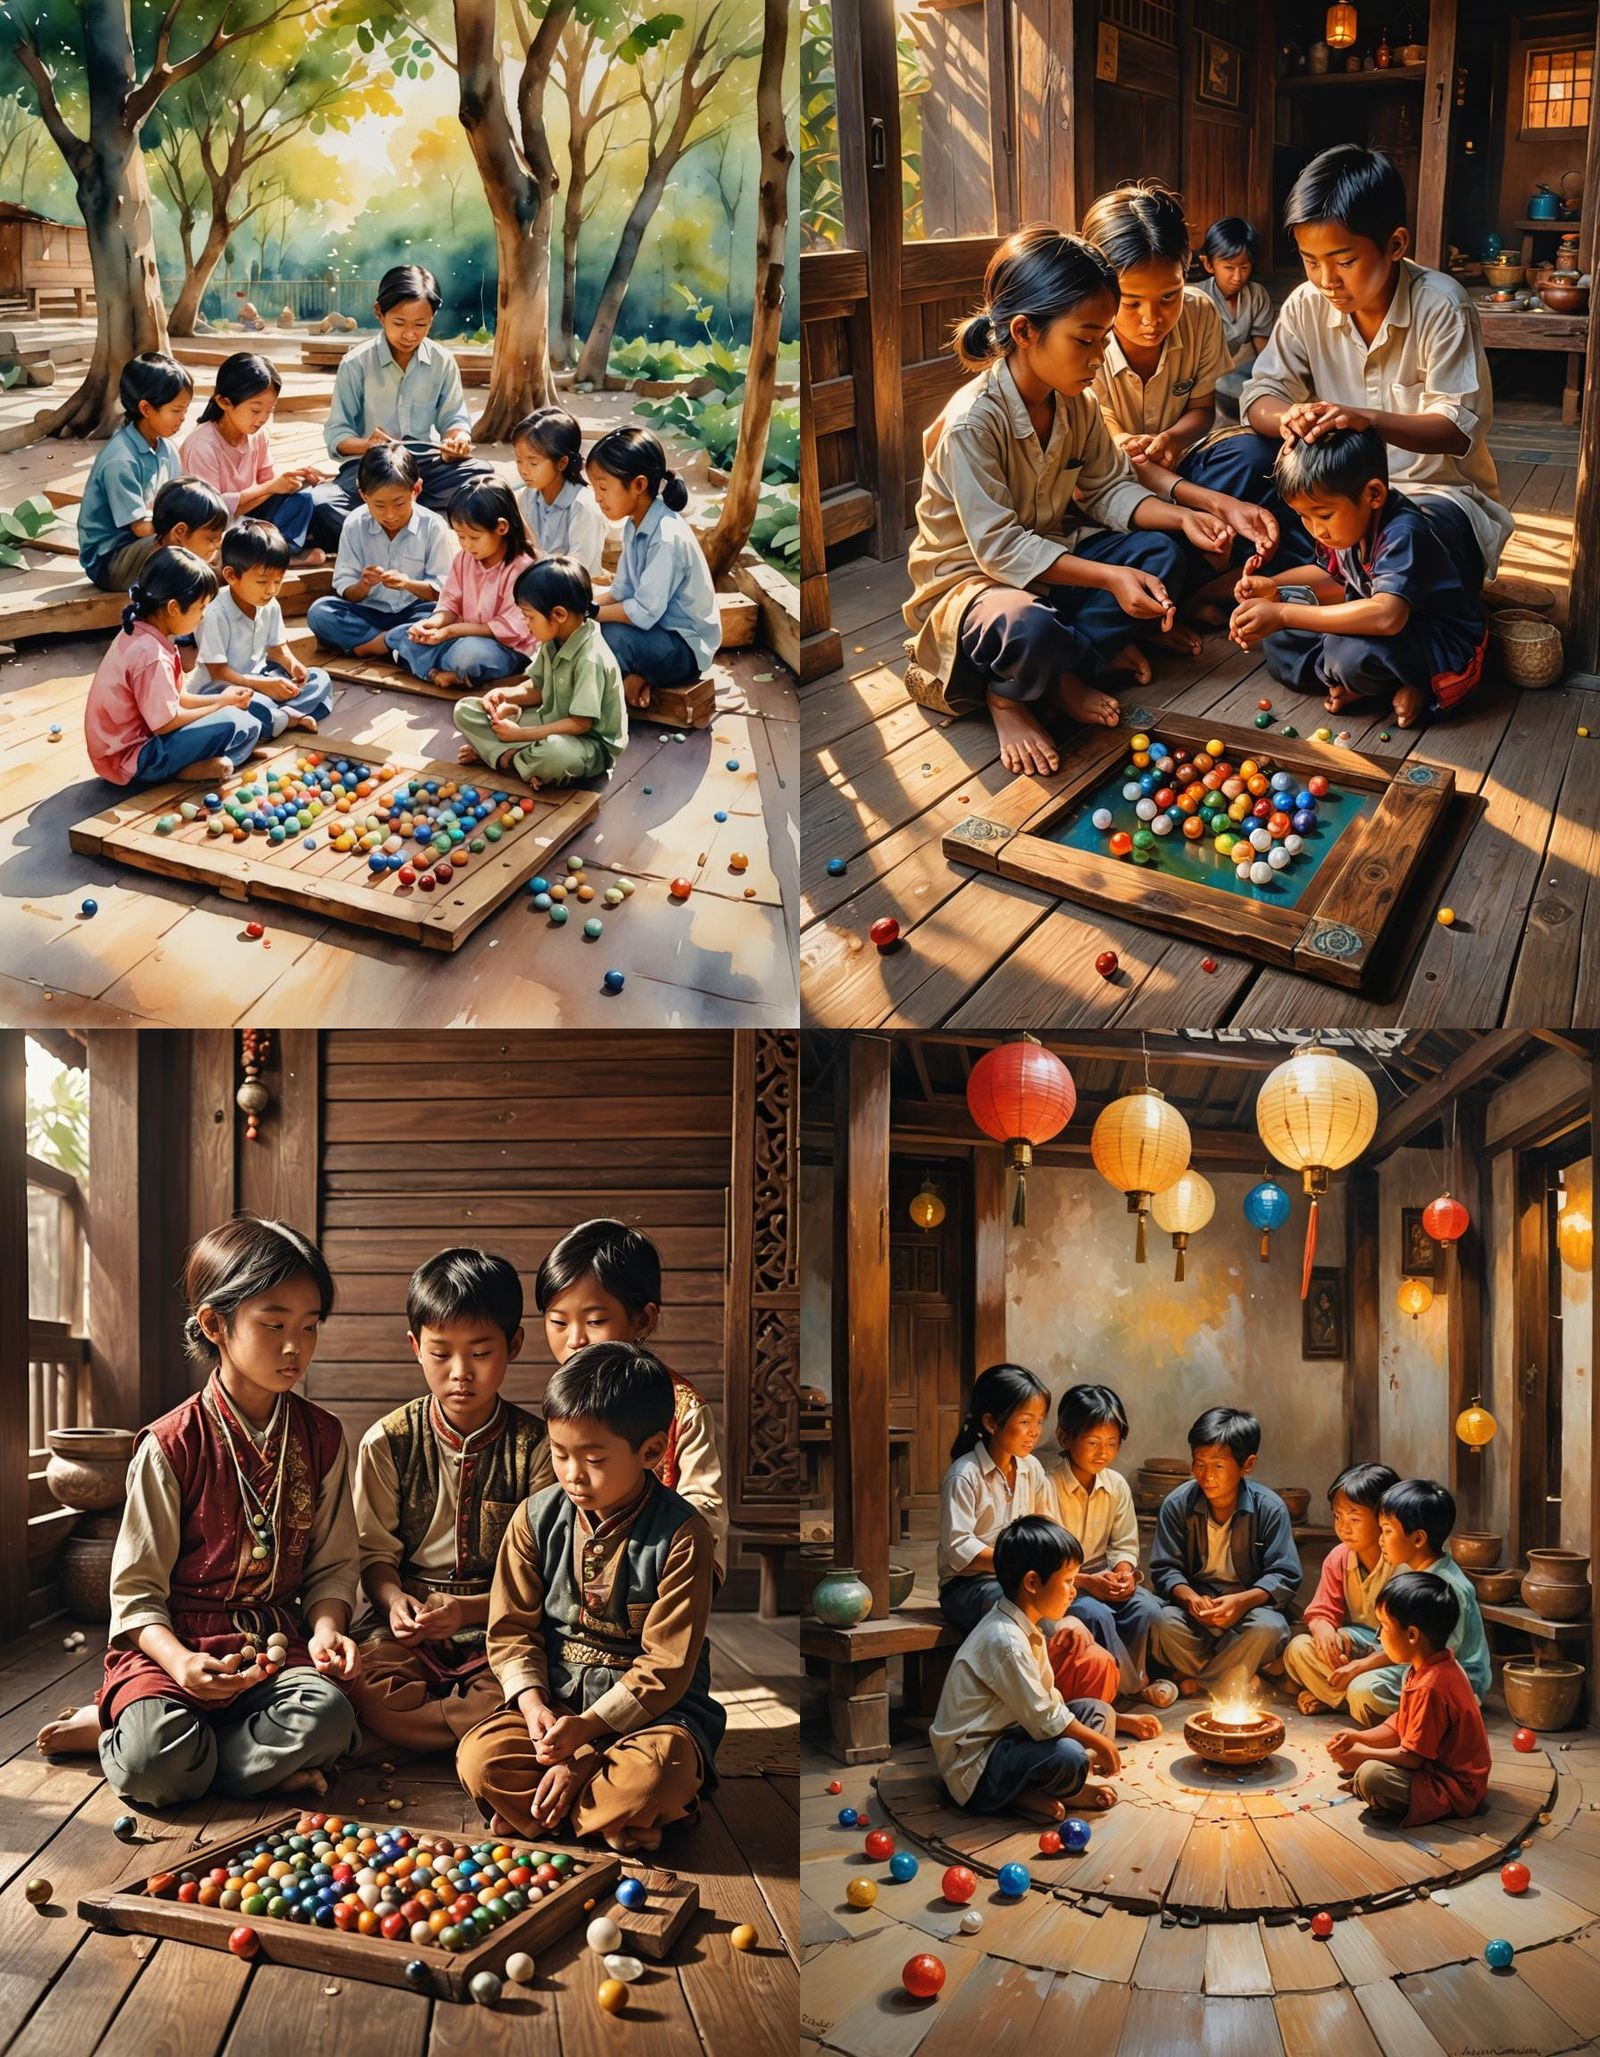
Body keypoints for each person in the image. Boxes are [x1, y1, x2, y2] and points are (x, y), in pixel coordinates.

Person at [902, 226, 1232, 778]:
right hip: (976, 586)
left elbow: (1109, 488)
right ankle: (1011, 697)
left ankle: (1066, 670)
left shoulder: (1074, 403)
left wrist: (1186, 517)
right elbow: (1001, 551)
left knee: (1161, 556)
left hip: (1051, 560)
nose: (1099, 356)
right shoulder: (971, 423)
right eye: (1086, 339)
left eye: (1103, 338)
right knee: (1027, 627)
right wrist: (1108, 579)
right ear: (1025, 331)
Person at [75, 1219, 361, 1804]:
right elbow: (135, 1594)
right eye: (274, 1324)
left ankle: (186, 1757)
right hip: (175, 1653)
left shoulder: (323, 1438)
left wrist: (329, 1628)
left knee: (329, 1715)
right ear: (214, 1324)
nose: (295, 1347)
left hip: (271, 1651)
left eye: (310, 1327)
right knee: (156, 1759)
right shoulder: (170, 1444)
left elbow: (332, 1567)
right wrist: (180, 1664)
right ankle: (165, 1743)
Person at [455, 1341, 725, 1851]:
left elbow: (667, 1666)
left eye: (594, 1458)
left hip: (653, 1718)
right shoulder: (534, 1519)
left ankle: (551, 1811)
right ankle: (619, 1821)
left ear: (650, 1452)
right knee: (479, 1759)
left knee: (657, 1772)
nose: (573, 1474)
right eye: (560, 1454)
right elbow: (511, 1630)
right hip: (556, 1707)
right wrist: (535, 1709)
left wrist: (588, 1740)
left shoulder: (685, 1535)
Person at [1206, 145, 1512, 589]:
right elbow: (1260, 394)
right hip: (1335, 499)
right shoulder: (1306, 305)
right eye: (1311, 261)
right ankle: (1327, 583)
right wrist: (1288, 416)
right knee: (1245, 457)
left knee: (1416, 545)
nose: (1326, 280)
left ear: (1395, 245)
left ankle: (1332, 587)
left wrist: (1367, 420)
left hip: (1431, 498)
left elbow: (1458, 428)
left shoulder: (1442, 306)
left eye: (1344, 261)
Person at [350, 1248, 555, 1751]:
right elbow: (374, 1554)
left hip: (499, 1624)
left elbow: (545, 1573)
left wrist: (467, 1613)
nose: (460, 1371)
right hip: (408, 1629)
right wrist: (396, 1602)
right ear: (415, 1346)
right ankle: (473, 1735)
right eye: (441, 1353)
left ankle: (421, 1735)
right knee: (365, 1680)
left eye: (481, 1353)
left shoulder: (540, 1448)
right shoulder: (387, 1441)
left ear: (514, 1344)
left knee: (526, 1682)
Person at [1080, 181, 1277, 609]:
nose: (1152, 319)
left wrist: (1171, 440)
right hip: (1103, 487)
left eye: (1169, 297)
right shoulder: (1083, 339)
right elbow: (1108, 468)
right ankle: (1188, 587)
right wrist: (1213, 504)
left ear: (1188, 271)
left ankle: (1183, 586)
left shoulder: (1200, 312)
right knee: (1155, 534)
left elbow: (1202, 410)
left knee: (1259, 458)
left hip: (1178, 469)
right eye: (1130, 303)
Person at [1229, 427, 1488, 729]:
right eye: (1304, 517)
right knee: (1279, 641)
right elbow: (1335, 579)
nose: (1316, 529)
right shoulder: (1347, 523)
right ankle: (1360, 683)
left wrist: (1284, 613)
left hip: (1433, 637)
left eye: (1324, 515)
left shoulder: (1404, 532)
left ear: (1374, 494)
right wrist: (1275, 589)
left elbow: (1387, 615)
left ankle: (1418, 685)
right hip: (1379, 629)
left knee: (1348, 654)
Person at [533, 1216, 725, 1573]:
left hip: (655, 1564)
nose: (574, 1340)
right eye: (558, 1322)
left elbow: (705, 1509)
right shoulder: (562, 1396)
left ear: (643, 1320)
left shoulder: (682, 1406)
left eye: (594, 1322)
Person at [930, 1515, 1121, 1823]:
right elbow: (1044, 1716)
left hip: (1015, 1735)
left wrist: (1091, 1736)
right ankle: (1033, 1794)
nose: (1074, 1591)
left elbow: (1049, 1699)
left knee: (1098, 1710)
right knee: (1070, 1755)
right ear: (1032, 1582)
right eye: (1069, 1581)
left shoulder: (1025, 1624)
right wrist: (1099, 1743)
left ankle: (1053, 1787)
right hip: (977, 1767)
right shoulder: (1006, 1640)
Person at [310, 263, 496, 547]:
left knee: (483, 480)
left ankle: (382, 530)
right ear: (379, 313)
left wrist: (456, 440)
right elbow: (337, 434)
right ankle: (417, 524)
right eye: (399, 323)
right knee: (322, 505)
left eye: (420, 325)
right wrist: (367, 446)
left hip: (424, 467)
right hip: (369, 470)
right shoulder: (356, 363)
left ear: (432, 319)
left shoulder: (442, 361)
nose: (410, 334)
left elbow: (454, 420)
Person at [1148, 1405, 1301, 1697]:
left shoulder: (1268, 1508)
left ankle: (1198, 1681)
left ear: (1247, 1464)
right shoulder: (1178, 1504)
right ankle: (1238, 1676)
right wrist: (1191, 1598)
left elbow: (1285, 1575)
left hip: (1248, 1610)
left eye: (1218, 1465)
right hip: (1197, 1610)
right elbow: (1165, 1568)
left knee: (1270, 1629)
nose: (1206, 1475)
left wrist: (1241, 1602)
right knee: (1160, 1623)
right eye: (1199, 1463)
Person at [83, 548, 266, 787]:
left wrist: (222, 699)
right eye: (200, 608)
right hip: (131, 759)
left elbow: (176, 698)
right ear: (173, 607)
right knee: (231, 720)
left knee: (234, 711)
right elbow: (165, 723)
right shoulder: (151, 655)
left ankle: (192, 765)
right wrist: (222, 704)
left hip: (130, 747)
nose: (203, 617)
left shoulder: (143, 630)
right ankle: (181, 770)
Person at [1319, 1477, 1491, 1723]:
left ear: (1418, 1539)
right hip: (1411, 1660)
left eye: (1387, 1531)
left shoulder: (1446, 1587)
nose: (1380, 1539)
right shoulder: (1410, 1569)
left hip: (1450, 1679)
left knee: (1362, 1689)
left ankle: (1414, 1718)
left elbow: (1436, 1655)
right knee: (1318, 1651)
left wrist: (1363, 1665)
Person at [1326, 1570, 1491, 1826]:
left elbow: (1412, 1758)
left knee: (1372, 1776)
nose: (1378, 1635)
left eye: (1385, 1626)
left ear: (1412, 1635)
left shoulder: (1431, 1686)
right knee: (1366, 1765)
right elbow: (1400, 1723)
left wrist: (1364, 1756)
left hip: (1453, 1787)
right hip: (1430, 1767)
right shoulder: (1431, 1664)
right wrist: (1358, 1738)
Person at [453, 556, 627, 790]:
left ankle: (504, 757)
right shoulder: (553, 638)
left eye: (529, 616)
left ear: (559, 614)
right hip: (550, 719)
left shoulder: (590, 658)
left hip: (587, 745)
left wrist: (521, 734)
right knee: (466, 710)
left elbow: (580, 725)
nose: (526, 623)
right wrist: (505, 695)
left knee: (555, 754)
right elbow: (536, 688)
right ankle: (520, 760)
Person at [1051, 1382, 1172, 1712]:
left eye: (1111, 1443)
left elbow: (1124, 1543)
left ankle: (1124, 1683)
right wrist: (1087, 1582)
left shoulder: (1115, 1485)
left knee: (1147, 1608)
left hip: (1100, 1577)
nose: (1102, 1452)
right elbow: (1044, 1558)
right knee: (1096, 1613)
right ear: (1065, 1438)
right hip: (1062, 1584)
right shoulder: (1048, 1484)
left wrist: (1123, 1572)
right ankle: (1130, 1687)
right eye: (1092, 1442)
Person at [589, 426, 720, 712]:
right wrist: (581, 604)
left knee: (603, 634)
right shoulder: (633, 524)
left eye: (603, 487)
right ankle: (635, 676)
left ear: (637, 485)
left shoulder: (666, 537)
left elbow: (643, 613)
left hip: (684, 651)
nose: (597, 497)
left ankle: (607, 696)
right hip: (656, 636)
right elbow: (621, 590)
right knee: (587, 626)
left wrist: (591, 613)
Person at [305, 443, 452, 658]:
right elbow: (346, 589)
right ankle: (396, 644)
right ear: (363, 496)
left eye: (399, 503)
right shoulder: (355, 523)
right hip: (369, 613)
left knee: (444, 617)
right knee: (320, 612)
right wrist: (363, 585)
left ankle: (374, 644)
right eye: (379, 506)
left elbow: (444, 591)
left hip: (415, 613)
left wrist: (408, 584)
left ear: (416, 490)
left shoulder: (432, 525)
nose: (390, 515)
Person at [388, 480, 537, 691]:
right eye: (460, 536)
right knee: (402, 635)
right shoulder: (464, 558)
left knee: (468, 654)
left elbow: (509, 628)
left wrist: (450, 632)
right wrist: (434, 624)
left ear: (501, 527)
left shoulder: (522, 567)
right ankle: (445, 674)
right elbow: (450, 602)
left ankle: (437, 668)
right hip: (459, 635)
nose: (466, 544)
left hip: (504, 648)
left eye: (474, 537)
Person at [939, 1363, 1054, 1634]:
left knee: (1069, 1611)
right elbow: (959, 1549)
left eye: (1039, 1422)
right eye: (1025, 1422)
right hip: (968, 1587)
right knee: (1031, 1617)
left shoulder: (1032, 1468)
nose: (1035, 1432)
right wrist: (1016, 1562)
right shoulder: (964, 1475)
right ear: (991, 1423)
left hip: (1020, 1579)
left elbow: (1045, 1525)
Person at [180, 352, 327, 565]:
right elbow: (212, 512)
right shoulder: (202, 445)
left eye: (270, 410)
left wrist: (294, 480)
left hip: (248, 517)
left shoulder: (258, 435)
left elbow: (269, 483)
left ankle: (275, 552)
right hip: (215, 526)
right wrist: (270, 487)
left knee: (302, 497)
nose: (263, 418)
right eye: (256, 410)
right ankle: (273, 555)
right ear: (224, 402)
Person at [192, 518, 334, 734]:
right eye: (262, 582)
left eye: (278, 581)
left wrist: (293, 665)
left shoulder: (270, 605)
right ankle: (284, 716)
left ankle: (278, 719)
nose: (271, 590)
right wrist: (262, 687)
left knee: (319, 678)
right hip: (223, 687)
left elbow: (278, 649)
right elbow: (218, 672)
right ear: (231, 575)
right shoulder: (214, 613)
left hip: (262, 679)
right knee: (241, 706)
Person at [1281, 1461, 1398, 1716]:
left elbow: (1414, 1644)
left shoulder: (1402, 1559)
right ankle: (1352, 1703)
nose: (1344, 1526)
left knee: (1365, 1688)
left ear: (1383, 1517)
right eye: (1337, 1516)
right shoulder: (1340, 1556)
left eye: (1354, 1518)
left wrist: (1359, 1667)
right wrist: (1324, 1631)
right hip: (1361, 1644)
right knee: (1299, 1648)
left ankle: (1341, 1698)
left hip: (1397, 1655)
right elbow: (1322, 1610)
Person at [77, 353, 195, 590]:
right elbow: (140, 527)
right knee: (183, 541)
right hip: (110, 560)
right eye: (176, 410)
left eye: (185, 410)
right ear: (146, 408)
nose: (183, 418)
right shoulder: (121, 459)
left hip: (145, 543)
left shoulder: (167, 449)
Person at [511, 409, 610, 578]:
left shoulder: (583, 508)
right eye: (519, 460)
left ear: (562, 463)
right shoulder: (526, 497)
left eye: (533, 463)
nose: (523, 470)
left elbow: (574, 574)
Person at [1196, 217, 1275, 413]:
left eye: (1244, 267)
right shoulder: (1198, 299)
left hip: (1240, 378)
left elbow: (1264, 354)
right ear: (1209, 264)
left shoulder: (1257, 295)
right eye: (1229, 268)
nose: (1238, 277)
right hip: (1204, 382)